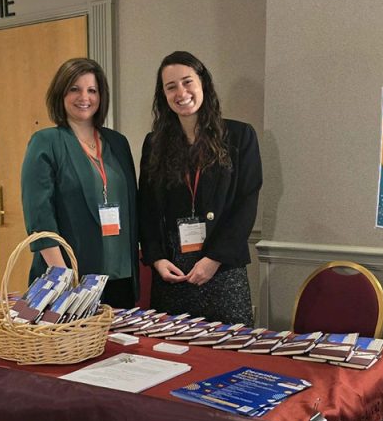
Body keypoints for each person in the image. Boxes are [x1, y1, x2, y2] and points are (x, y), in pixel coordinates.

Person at [138, 51, 262, 325]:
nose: (181, 92)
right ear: (163, 95)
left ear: (203, 83)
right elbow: (146, 207)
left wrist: (213, 259)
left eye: (187, 82)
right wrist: (156, 259)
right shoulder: (154, 144)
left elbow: (246, 203)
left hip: (222, 270)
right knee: (173, 356)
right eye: (171, 87)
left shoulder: (241, 137)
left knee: (229, 355)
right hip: (172, 273)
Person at [21, 57, 139, 309]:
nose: (83, 97)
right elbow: (39, 215)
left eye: (92, 90)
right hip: (74, 279)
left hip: (121, 277)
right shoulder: (46, 142)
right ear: (60, 94)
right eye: (74, 88)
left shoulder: (118, 142)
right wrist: (64, 278)